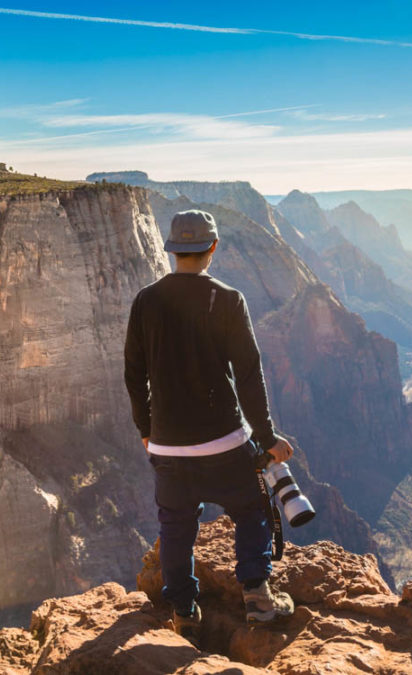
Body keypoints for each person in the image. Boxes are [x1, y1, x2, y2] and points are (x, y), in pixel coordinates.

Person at [124, 209, 296, 642]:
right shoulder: (228, 299)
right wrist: (267, 437)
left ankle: (183, 610)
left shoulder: (146, 301)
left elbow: (133, 373)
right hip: (224, 442)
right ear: (212, 248)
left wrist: (147, 429)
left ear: (171, 249)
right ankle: (257, 596)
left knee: (176, 526)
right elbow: (250, 374)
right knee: (253, 510)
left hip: (167, 447)